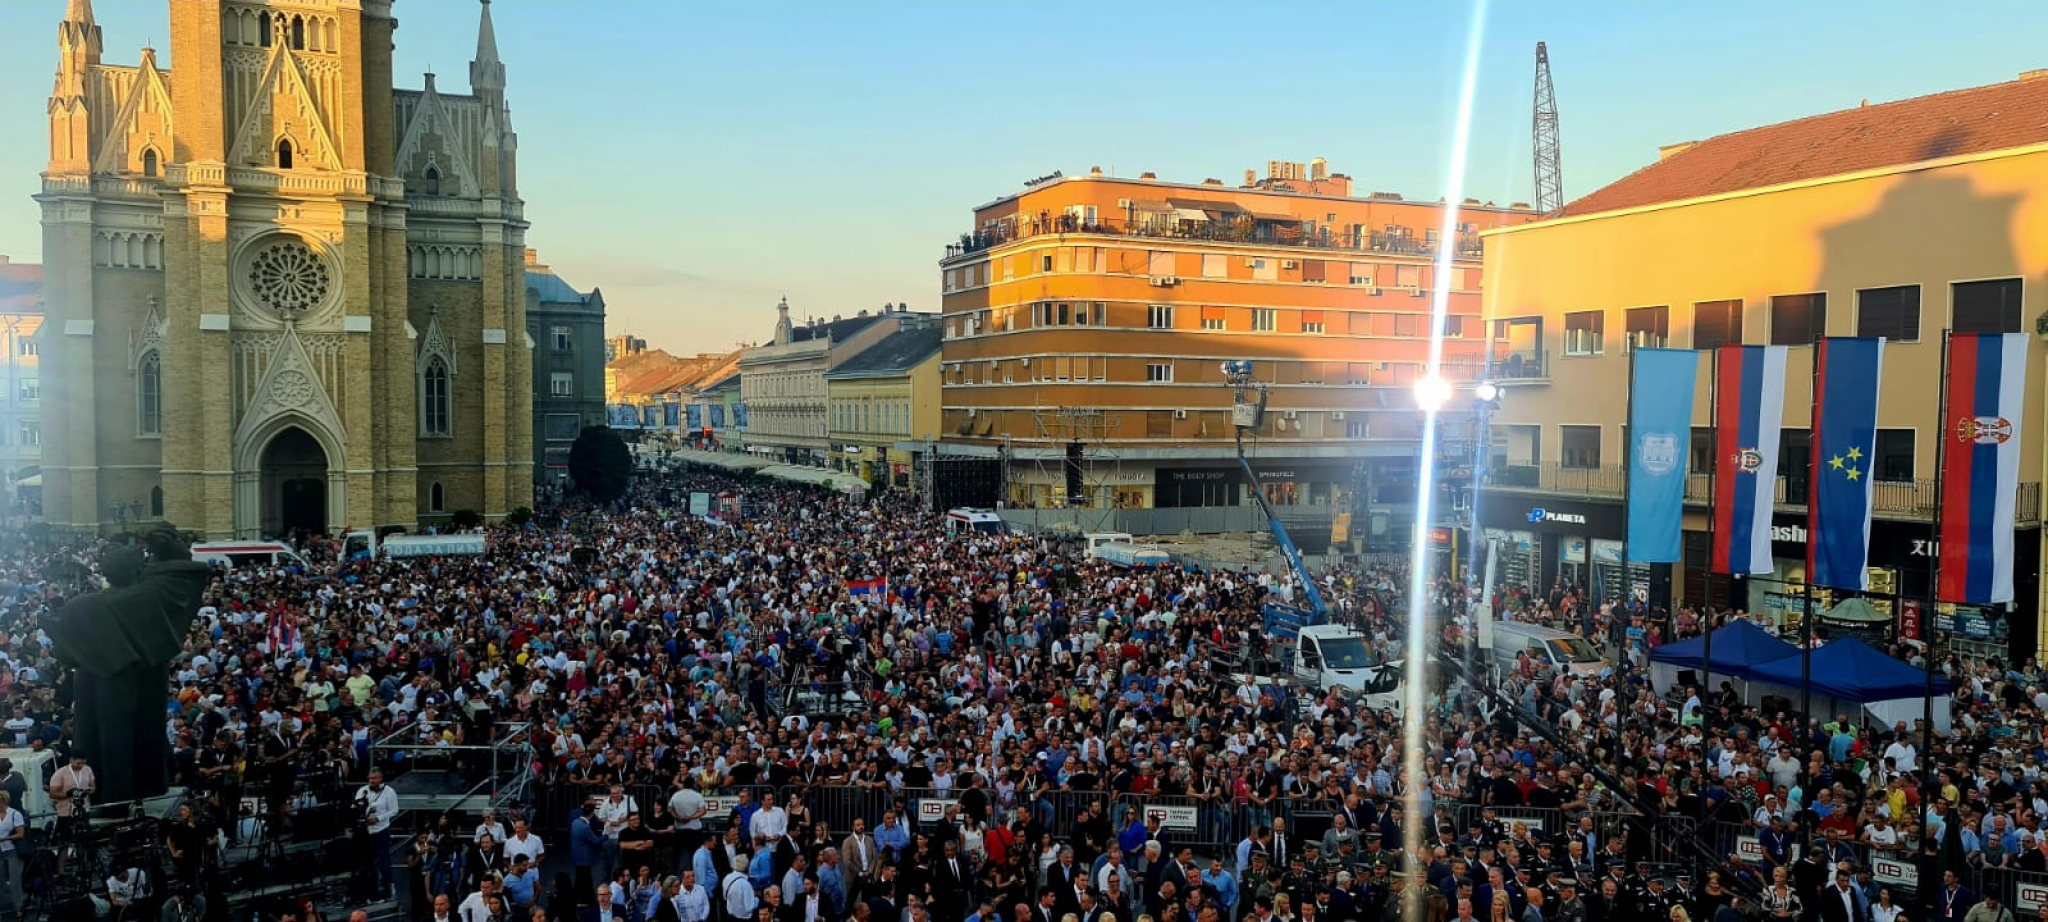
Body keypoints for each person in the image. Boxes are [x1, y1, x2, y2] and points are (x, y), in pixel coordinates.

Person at [357, 767, 400, 899]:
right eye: (370, 778)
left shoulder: (389, 792)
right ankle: (371, 891)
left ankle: (389, 887)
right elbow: (356, 805)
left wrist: (378, 818)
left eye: (374, 778)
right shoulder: (362, 790)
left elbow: (394, 810)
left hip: (381, 830)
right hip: (365, 831)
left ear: (380, 779)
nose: (371, 780)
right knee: (367, 862)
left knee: (384, 861)